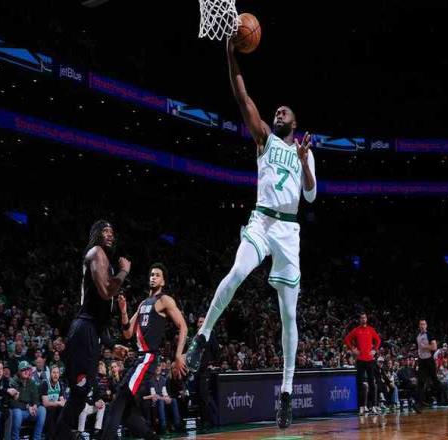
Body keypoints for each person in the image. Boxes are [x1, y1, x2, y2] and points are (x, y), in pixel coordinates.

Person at [185, 36, 317, 430]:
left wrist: (303, 162)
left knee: (288, 314)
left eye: (284, 110)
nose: (278, 112)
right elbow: (242, 97)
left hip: (288, 230)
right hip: (261, 220)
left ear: (295, 122)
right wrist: (230, 55)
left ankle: (287, 393)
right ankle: (203, 336)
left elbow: (311, 194)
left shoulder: (305, 151)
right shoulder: (263, 137)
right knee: (237, 272)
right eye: (276, 110)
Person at [56, 220, 131, 439]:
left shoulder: (104, 260)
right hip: (83, 331)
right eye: (105, 231)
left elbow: (100, 316)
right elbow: (107, 291)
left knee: (80, 396)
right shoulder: (96, 252)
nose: (110, 235)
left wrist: (110, 345)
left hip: (91, 331)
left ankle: (61, 435)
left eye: (112, 231)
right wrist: (124, 271)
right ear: (96, 234)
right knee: (79, 393)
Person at [101, 263, 188, 440]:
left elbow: (183, 326)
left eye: (157, 275)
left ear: (163, 281)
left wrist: (178, 355)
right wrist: (123, 311)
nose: (153, 277)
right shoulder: (142, 304)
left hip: (148, 358)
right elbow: (127, 333)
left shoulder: (164, 300)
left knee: (119, 399)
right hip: (139, 359)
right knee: (127, 412)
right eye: (151, 274)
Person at [343, 313, 381, 415]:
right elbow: (347, 339)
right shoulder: (356, 330)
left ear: (366, 319)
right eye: (362, 318)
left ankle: (374, 406)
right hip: (360, 360)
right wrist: (353, 349)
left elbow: (378, 340)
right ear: (360, 319)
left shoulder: (371, 329)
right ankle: (362, 407)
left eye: (365, 317)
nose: (363, 319)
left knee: (372, 383)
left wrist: (375, 350)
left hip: (370, 360)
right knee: (360, 383)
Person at [10, 360, 47, 440]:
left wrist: (35, 405)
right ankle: (15, 438)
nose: (26, 371)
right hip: (20, 411)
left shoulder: (31, 382)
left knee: (42, 410)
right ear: (19, 371)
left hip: (30, 411)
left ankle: (36, 438)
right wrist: (27, 407)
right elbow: (13, 403)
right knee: (17, 412)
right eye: (23, 370)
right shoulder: (13, 382)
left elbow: (36, 398)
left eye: (27, 369)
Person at [416, 319, 442, 408]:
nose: (422, 326)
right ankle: (419, 403)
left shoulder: (429, 334)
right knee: (420, 382)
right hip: (421, 361)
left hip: (429, 360)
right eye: (421, 324)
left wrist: (425, 346)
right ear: (419, 326)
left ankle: (441, 395)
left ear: (426, 325)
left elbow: (434, 347)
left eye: (424, 324)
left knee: (434, 380)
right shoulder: (418, 336)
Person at [40, 365, 66, 439]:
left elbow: (62, 400)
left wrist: (62, 403)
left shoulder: (59, 384)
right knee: (52, 412)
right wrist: (58, 403)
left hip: (55, 409)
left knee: (64, 411)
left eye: (57, 373)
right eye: (54, 372)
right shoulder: (45, 384)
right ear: (50, 374)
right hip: (45, 409)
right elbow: (45, 403)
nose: (55, 375)